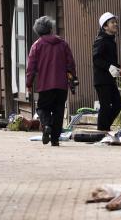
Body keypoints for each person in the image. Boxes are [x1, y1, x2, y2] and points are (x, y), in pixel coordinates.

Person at [25, 16, 76, 146]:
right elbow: (70, 64)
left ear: (38, 31)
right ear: (50, 28)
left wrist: (29, 84)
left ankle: (47, 125)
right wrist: (72, 79)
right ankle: (55, 139)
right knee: (59, 111)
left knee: (42, 108)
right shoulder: (63, 44)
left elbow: (31, 67)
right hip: (61, 85)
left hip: (45, 85)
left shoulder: (36, 46)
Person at [92, 11, 121, 134]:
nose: (116, 24)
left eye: (115, 22)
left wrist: (117, 67)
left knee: (118, 104)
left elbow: (108, 60)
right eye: (112, 22)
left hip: (109, 79)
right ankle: (102, 129)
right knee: (105, 106)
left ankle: (104, 127)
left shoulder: (111, 40)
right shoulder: (101, 40)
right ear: (105, 26)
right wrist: (110, 67)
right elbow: (96, 59)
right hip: (101, 80)